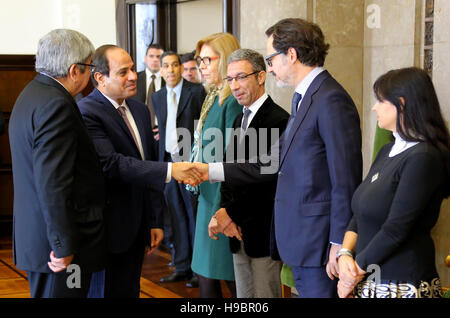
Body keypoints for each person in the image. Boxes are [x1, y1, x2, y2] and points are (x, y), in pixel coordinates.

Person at [192, 18, 362, 298]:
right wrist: (209, 170)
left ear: (291, 55)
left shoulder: (330, 99)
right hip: (300, 238)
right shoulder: (304, 97)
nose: (269, 68)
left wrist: (340, 244)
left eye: (271, 59)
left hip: (318, 241)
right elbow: (268, 162)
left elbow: (345, 179)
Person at [77, 45, 199, 298]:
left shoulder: (141, 110)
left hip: (138, 227)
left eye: (132, 68)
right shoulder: (87, 112)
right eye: (123, 72)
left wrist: (154, 220)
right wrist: (171, 169)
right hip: (108, 231)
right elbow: (113, 164)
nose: (133, 76)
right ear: (100, 77)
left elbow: (146, 164)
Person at [8, 29, 106, 298]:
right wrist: (63, 247)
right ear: (75, 70)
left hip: (40, 239)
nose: (90, 75)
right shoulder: (56, 104)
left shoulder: (32, 93)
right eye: (89, 67)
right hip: (60, 250)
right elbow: (54, 183)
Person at [337, 67, 450, 298]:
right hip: (369, 278)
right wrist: (345, 253)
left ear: (401, 104)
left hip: (402, 284)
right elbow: (359, 213)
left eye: (380, 100)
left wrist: (352, 275)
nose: (374, 107)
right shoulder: (387, 150)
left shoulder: (424, 157)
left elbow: (396, 229)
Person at [207, 48, 289, 298]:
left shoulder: (278, 120)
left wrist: (228, 213)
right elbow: (229, 172)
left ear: (261, 77)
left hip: (262, 232)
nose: (234, 86)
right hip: (237, 229)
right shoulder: (239, 120)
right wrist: (224, 213)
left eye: (241, 77)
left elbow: (266, 181)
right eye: (230, 79)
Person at [189, 32, 242, 298]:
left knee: (223, 275)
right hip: (207, 194)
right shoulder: (212, 97)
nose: (202, 66)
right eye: (200, 60)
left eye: (208, 59)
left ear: (227, 59)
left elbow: (233, 159)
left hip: (221, 199)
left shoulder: (231, 100)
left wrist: (225, 207)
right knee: (206, 273)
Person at [152, 51, 206, 287]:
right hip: (169, 164)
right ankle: (181, 266)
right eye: (167, 66)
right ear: (161, 70)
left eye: (175, 65)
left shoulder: (195, 92)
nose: (171, 70)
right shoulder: (157, 96)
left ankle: (197, 270)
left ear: (180, 68)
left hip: (191, 165)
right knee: (176, 217)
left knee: (194, 216)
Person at [135, 43, 165, 133]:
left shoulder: (170, 80)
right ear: (145, 58)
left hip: (163, 131)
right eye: (151, 56)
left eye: (158, 56)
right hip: (138, 130)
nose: (155, 60)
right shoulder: (134, 79)